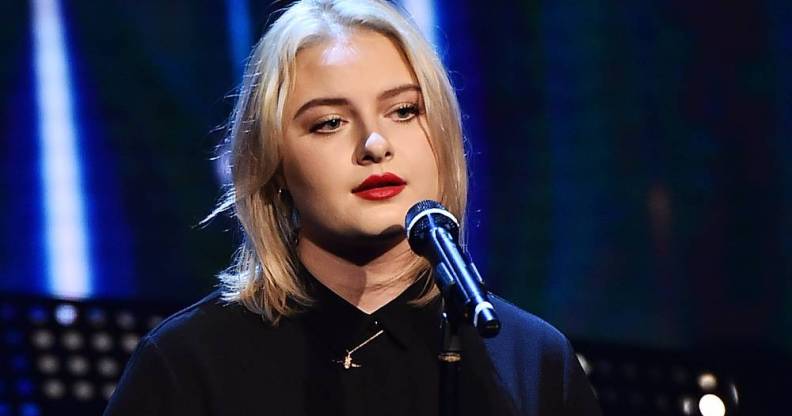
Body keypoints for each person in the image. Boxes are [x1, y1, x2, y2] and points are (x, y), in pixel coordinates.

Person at [104, 0, 601, 415]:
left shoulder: (530, 362)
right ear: (273, 164)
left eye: (403, 111)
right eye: (329, 123)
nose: (375, 144)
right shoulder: (188, 364)